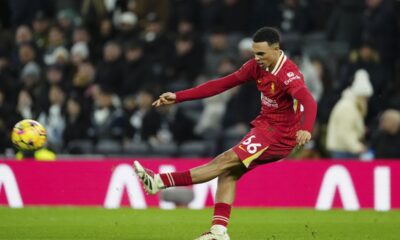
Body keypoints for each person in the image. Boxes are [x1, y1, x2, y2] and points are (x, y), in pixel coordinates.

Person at [134, 27, 317, 240]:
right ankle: (218, 232)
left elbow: (308, 100)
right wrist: (179, 96)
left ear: (276, 50)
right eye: (254, 53)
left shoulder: (288, 74)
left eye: (261, 54)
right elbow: (221, 84)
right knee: (228, 173)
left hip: (279, 134)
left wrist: (307, 128)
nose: (256, 58)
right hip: (264, 128)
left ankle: (159, 181)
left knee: (224, 161)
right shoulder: (256, 67)